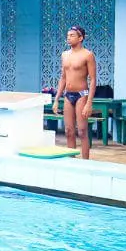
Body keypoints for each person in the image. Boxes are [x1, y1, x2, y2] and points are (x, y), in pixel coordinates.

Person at [52, 25, 97, 160]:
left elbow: (93, 79)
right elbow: (63, 78)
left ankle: (85, 162)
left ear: (81, 38)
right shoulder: (64, 55)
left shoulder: (88, 55)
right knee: (68, 131)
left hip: (82, 95)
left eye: (72, 35)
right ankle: (72, 162)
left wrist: (89, 103)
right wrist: (56, 99)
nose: (68, 38)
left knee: (82, 131)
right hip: (68, 95)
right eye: (67, 35)